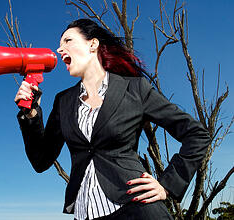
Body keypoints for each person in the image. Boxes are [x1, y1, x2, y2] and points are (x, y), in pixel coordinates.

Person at [14, 19, 210, 220]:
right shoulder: (63, 101)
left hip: (136, 209)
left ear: (93, 44)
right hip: (84, 213)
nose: (59, 49)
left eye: (68, 41)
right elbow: (41, 160)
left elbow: (197, 135)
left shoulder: (135, 89)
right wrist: (31, 114)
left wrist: (168, 185)